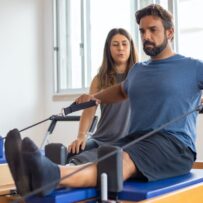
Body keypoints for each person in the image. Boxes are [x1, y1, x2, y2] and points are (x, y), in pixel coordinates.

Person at [5, 4, 203, 197]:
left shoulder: (192, 67)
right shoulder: (138, 70)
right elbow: (121, 91)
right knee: (100, 156)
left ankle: (49, 174)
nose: (146, 36)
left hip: (174, 146)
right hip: (135, 139)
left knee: (119, 162)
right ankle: (32, 177)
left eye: (153, 30)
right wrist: (93, 98)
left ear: (170, 32)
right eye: (142, 31)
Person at [67, 28, 138, 164]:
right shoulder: (100, 79)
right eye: (115, 44)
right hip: (101, 138)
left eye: (124, 44)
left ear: (130, 47)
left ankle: (66, 169)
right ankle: (41, 169)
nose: (120, 48)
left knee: (85, 159)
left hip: (125, 141)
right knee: (72, 152)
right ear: (108, 48)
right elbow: (89, 110)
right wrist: (81, 136)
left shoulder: (140, 75)